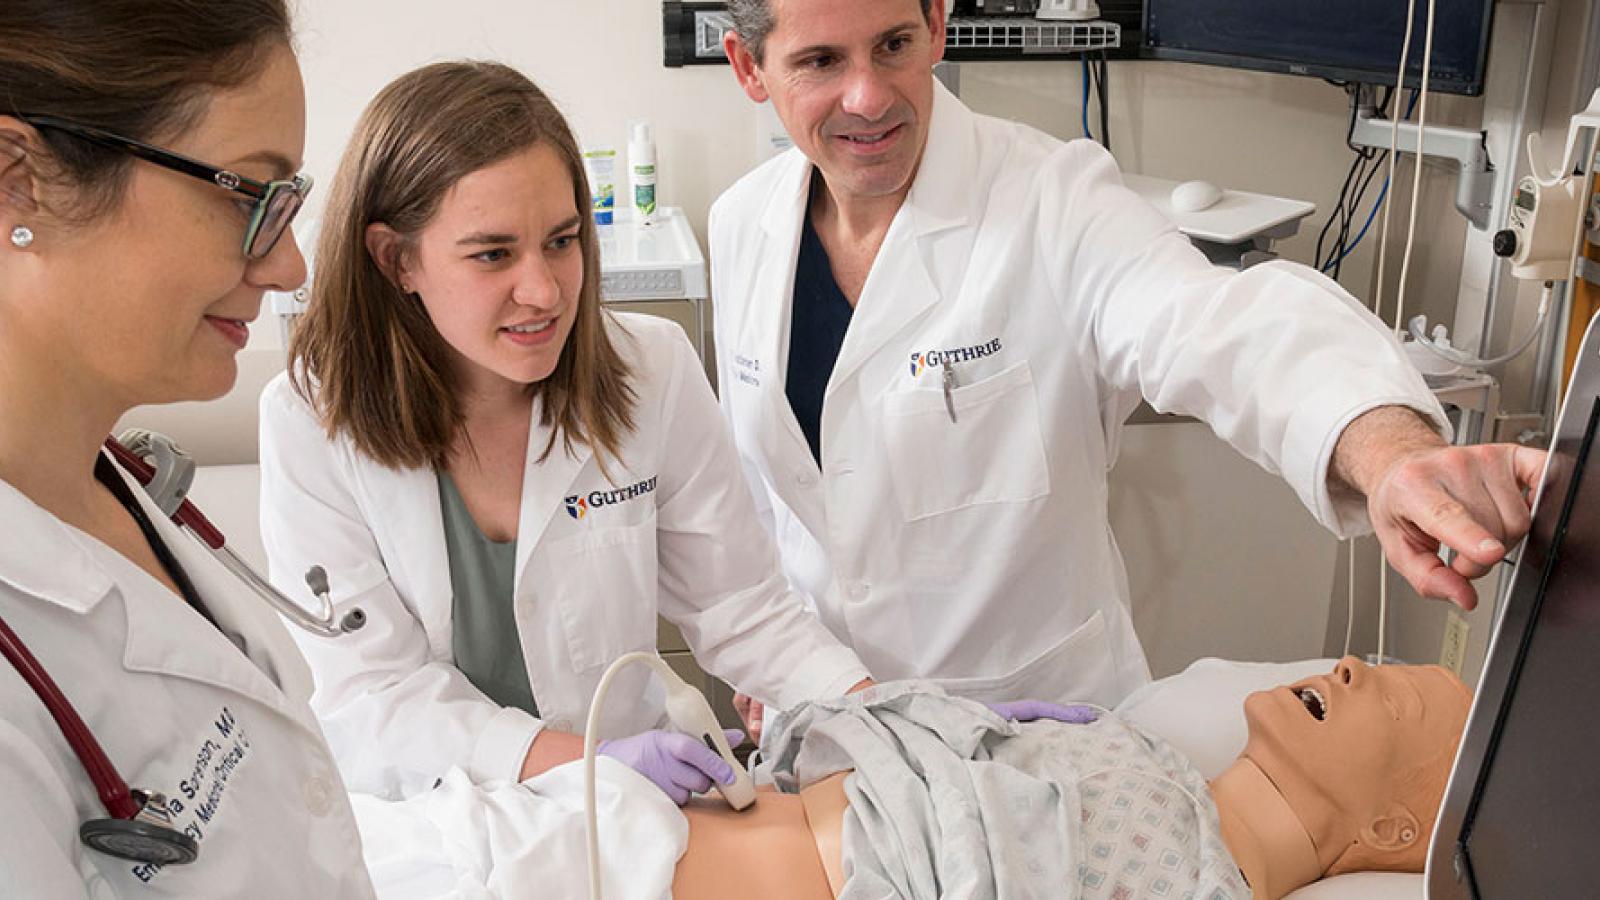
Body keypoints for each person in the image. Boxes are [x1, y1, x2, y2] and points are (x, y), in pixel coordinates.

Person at [711, 0, 1546, 736]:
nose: (867, 96)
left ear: (935, 25)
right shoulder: (742, 225)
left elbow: (1216, 326)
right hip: (827, 728)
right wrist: (773, 656)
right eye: (821, 61)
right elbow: (766, 489)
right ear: (749, 68)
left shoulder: (1053, 199)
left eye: (892, 44)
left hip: (1032, 733)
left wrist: (1389, 453)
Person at [258, 60, 888, 807]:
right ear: (398, 260)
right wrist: (587, 762)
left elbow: (742, 610)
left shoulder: (650, 370)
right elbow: (376, 696)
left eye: (561, 241)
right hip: (429, 825)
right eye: (494, 253)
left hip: (631, 822)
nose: (545, 289)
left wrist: (888, 719)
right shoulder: (309, 417)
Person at [0, 1, 376, 895]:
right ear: (18, 177)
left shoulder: (112, 479)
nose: (290, 266)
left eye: (290, 205)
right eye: (249, 196)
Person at [672, 658, 1471, 900]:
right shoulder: (1131, 741)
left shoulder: (1204, 886)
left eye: (1396, 701)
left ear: (1393, 833)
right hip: (646, 819)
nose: (1351, 665)